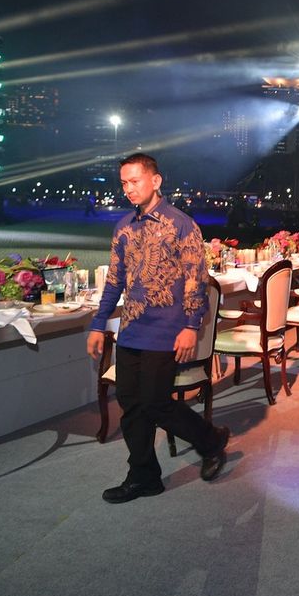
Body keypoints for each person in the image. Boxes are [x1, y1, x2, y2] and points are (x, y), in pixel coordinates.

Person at [87, 153, 229, 504]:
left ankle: (210, 440)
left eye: (135, 181)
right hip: (132, 329)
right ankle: (144, 476)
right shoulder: (123, 227)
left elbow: (197, 281)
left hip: (167, 330)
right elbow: (115, 281)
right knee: (132, 404)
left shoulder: (181, 225)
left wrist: (191, 326)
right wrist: (97, 323)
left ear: (156, 180)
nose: (129, 189)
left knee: (155, 403)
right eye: (124, 182)